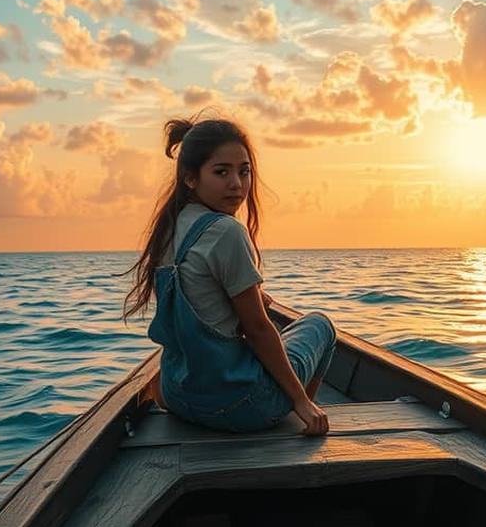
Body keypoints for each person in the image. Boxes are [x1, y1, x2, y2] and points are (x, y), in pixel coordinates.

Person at [123, 114, 336, 436]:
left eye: (244, 172)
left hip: (178, 397)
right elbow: (257, 329)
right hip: (239, 407)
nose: (237, 184)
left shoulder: (168, 228)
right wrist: (300, 401)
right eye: (221, 172)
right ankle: (303, 413)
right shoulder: (226, 232)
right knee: (321, 325)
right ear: (191, 178)